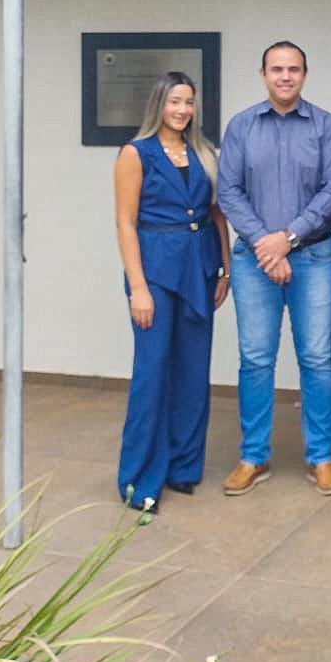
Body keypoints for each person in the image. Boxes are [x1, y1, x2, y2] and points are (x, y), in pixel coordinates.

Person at [216, 41, 331, 498]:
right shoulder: (240, 127)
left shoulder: (327, 127)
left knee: (316, 358)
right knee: (255, 359)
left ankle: (322, 458)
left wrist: (287, 238)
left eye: (294, 69)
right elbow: (229, 191)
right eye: (277, 69)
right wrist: (265, 244)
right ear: (263, 74)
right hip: (255, 261)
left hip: (313, 256)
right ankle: (254, 456)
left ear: (305, 75)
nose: (285, 76)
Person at [112, 71, 229, 513]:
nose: (182, 110)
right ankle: (139, 480)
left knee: (194, 373)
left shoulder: (203, 152)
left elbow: (217, 214)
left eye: (188, 103)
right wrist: (138, 288)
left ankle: (183, 468)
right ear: (158, 105)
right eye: (174, 101)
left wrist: (224, 269)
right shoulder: (134, 154)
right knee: (152, 374)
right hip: (156, 273)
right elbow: (125, 223)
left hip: (199, 268)